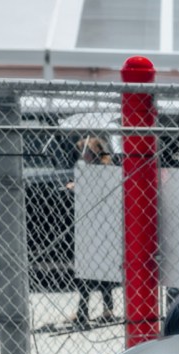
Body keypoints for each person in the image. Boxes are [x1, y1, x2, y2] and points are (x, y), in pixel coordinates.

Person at [69, 136, 119, 327]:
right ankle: (87, 309)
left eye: (87, 153)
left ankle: (103, 308)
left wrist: (79, 186)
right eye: (83, 153)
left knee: (99, 270)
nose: (84, 156)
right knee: (86, 271)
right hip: (89, 226)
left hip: (101, 225)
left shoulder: (104, 170)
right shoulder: (86, 170)